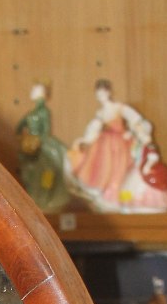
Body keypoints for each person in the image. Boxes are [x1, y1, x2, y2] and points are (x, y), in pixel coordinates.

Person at [67, 80, 147, 211]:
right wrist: (86, 141)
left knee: (118, 168)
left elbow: (136, 120)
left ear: (109, 92)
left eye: (103, 93)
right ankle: (104, 193)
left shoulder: (119, 108)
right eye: (98, 95)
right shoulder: (100, 113)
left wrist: (133, 133)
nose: (101, 97)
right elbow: (94, 129)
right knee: (101, 167)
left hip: (119, 144)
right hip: (104, 144)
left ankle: (114, 195)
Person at [15, 81, 70, 213]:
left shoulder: (44, 111)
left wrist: (36, 140)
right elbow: (20, 126)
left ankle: (45, 197)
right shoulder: (33, 111)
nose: (32, 92)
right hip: (31, 144)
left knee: (47, 170)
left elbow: (46, 130)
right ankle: (37, 197)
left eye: (35, 90)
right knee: (30, 171)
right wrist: (23, 137)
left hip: (41, 144)